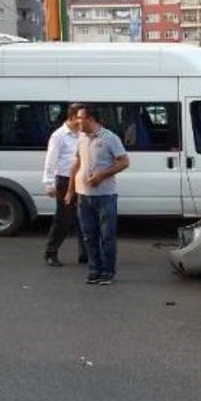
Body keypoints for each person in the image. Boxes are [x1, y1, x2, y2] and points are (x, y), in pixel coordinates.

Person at [66, 106, 130, 285]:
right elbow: (76, 164)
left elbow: (124, 162)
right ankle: (94, 269)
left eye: (80, 118)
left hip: (105, 196)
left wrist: (102, 175)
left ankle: (108, 272)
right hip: (83, 195)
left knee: (107, 235)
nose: (77, 121)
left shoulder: (109, 138)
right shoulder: (81, 138)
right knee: (88, 235)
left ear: (91, 119)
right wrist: (70, 190)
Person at [42, 103, 87, 267]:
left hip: (82, 180)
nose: (83, 121)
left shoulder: (83, 133)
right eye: (80, 117)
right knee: (63, 218)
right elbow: (50, 160)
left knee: (85, 217)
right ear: (72, 117)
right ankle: (51, 253)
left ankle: (85, 254)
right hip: (65, 180)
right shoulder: (59, 135)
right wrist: (48, 183)